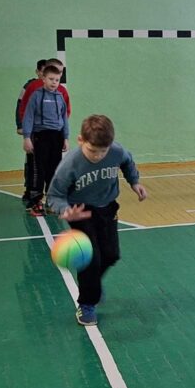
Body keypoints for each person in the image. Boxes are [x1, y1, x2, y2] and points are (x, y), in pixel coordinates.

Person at [47, 114, 147, 326]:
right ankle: (86, 303)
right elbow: (54, 196)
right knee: (91, 260)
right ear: (80, 140)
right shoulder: (70, 164)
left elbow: (127, 161)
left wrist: (134, 182)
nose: (98, 156)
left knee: (111, 255)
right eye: (92, 150)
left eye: (103, 151)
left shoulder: (116, 151)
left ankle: (93, 286)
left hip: (107, 207)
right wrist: (65, 211)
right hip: (80, 212)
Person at [21, 64, 70, 215]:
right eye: (51, 79)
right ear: (43, 78)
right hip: (40, 137)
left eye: (57, 80)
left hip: (56, 137)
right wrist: (27, 137)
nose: (54, 82)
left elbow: (64, 119)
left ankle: (51, 202)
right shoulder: (36, 96)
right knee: (38, 170)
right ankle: (36, 202)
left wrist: (65, 138)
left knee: (54, 170)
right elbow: (28, 117)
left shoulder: (60, 97)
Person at [16, 58, 48, 204]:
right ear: (37, 72)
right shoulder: (30, 86)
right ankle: (30, 191)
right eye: (43, 71)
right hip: (33, 130)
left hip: (48, 132)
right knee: (32, 162)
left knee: (47, 163)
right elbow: (20, 105)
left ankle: (48, 194)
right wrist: (20, 125)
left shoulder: (53, 89)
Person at [18, 58, 71, 127]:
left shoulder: (62, 90)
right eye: (55, 70)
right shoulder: (32, 86)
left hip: (55, 128)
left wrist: (61, 125)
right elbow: (23, 106)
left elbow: (66, 111)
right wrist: (23, 125)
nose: (59, 74)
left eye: (61, 71)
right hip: (35, 128)